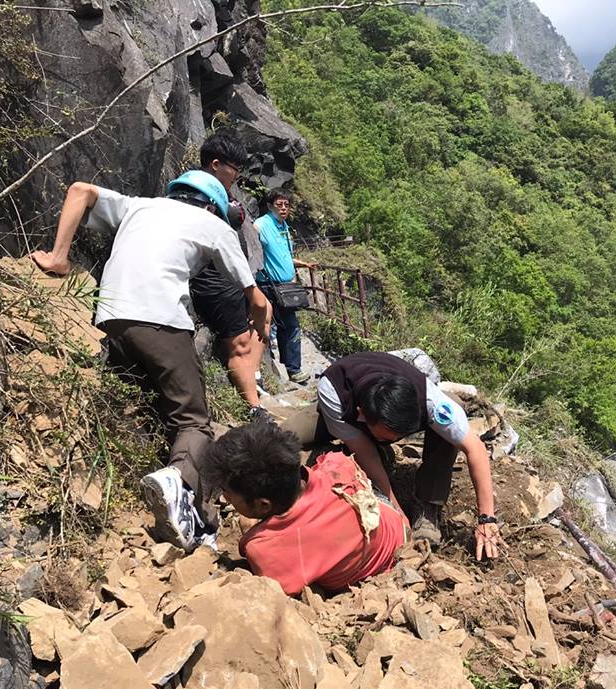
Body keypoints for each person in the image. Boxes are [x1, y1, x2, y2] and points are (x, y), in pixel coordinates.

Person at [30, 171, 269, 552]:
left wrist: (59, 257)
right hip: (160, 321)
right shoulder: (212, 223)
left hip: (110, 319)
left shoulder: (138, 206)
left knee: (155, 403)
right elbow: (254, 297)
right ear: (213, 205)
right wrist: (262, 322)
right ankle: (182, 490)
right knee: (193, 420)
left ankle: (166, 484)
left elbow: (80, 190)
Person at [281, 352, 503, 559]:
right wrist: (397, 514)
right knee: (284, 437)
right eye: (388, 435)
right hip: (341, 412)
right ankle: (376, 450)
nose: (397, 438)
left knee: (449, 431)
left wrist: (487, 519)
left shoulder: (433, 403)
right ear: (362, 416)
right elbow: (366, 454)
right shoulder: (333, 391)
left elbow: (476, 449)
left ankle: (427, 506)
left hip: (381, 412)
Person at [201, 421, 409, 596]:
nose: (225, 498)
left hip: (388, 566)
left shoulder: (264, 549)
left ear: (263, 504)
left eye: (228, 493)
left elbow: (280, 590)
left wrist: (251, 533)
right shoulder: (337, 463)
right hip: (395, 526)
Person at [189, 133, 270, 419]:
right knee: (239, 343)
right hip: (212, 278)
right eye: (234, 168)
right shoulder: (195, 192)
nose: (237, 174)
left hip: (234, 276)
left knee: (265, 309)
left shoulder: (222, 193)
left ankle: (254, 374)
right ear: (215, 164)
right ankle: (253, 407)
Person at [255, 190, 313, 384]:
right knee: (278, 327)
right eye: (280, 204)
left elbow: (284, 256)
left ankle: (291, 369)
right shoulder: (262, 225)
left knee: (287, 327)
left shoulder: (283, 226)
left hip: (285, 287)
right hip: (269, 286)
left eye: (287, 205)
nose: (284, 208)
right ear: (271, 205)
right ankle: (280, 371)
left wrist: (302, 264)